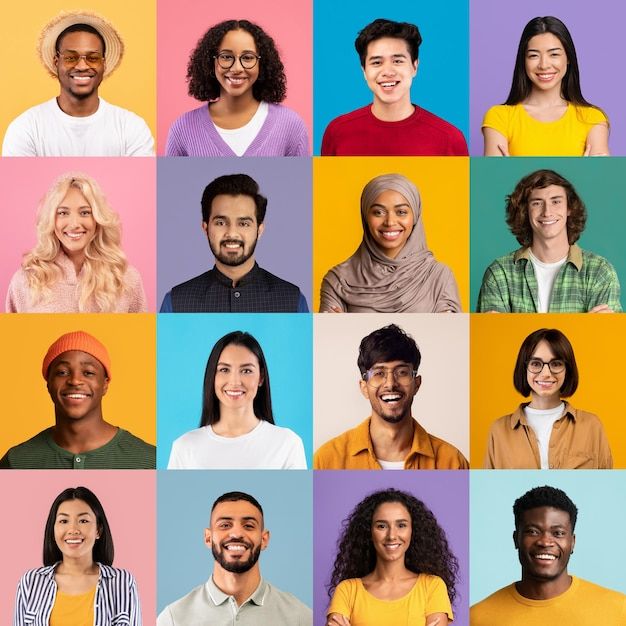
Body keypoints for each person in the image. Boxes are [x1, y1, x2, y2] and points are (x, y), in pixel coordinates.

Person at [314, 324, 468, 470]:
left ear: (417, 384)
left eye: (401, 372)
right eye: (379, 373)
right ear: (364, 387)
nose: (390, 384)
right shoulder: (327, 460)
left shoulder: (452, 462)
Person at [2, 11, 154, 156]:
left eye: (92, 58)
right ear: (57, 61)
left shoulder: (132, 128)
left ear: (104, 63)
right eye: (70, 58)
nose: (82, 66)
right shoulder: (26, 128)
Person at [470, 486, 626, 624]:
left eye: (558, 533)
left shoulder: (619, 610)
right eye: (533, 531)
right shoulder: (477, 618)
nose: (545, 542)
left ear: (572, 542)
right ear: (516, 539)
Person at [0, 330, 155, 469]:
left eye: (88, 372)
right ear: (48, 383)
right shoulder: (16, 462)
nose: (74, 381)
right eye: (62, 372)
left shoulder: (150, 461)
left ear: (105, 384)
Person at [157, 491, 312, 625]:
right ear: (208, 538)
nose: (237, 533)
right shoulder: (173, 619)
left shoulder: (300, 617)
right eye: (224, 525)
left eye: (249, 526)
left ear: (264, 539)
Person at [477, 169, 621, 313]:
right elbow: (493, 335)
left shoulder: (599, 271)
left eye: (556, 201)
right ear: (525, 211)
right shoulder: (500, 273)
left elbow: (608, 335)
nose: (547, 212)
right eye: (537, 203)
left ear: (569, 208)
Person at [160, 174, 308, 312]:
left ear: (259, 229)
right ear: (205, 228)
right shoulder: (176, 302)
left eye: (243, 224)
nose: (231, 233)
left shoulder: (293, 301)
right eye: (220, 222)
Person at [321, 18, 467, 156]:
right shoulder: (337, 132)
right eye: (377, 62)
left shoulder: (449, 138)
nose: (388, 72)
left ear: (415, 66)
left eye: (397, 61)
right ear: (364, 71)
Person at [6, 172, 147, 313]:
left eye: (85, 213)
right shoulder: (25, 280)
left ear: (98, 218)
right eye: (63, 213)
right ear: (51, 219)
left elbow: (142, 334)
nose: (74, 224)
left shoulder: (127, 278)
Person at [320, 173, 461, 313]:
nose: (390, 222)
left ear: (415, 216)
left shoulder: (439, 276)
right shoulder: (338, 281)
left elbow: (447, 333)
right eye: (378, 212)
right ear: (365, 217)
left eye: (401, 212)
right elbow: (331, 334)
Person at [165, 19, 308, 156]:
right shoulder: (182, 129)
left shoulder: (290, 125)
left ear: (261, 64)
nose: (237, 68)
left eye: (247, 57)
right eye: (226, 57)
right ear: (211, 62)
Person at [167, 331, 306, 469]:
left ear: (261, 377)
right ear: (212, 376)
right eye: (224, 370)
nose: (234, 381)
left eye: (246, 371)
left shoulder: (287, 444)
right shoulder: (184, 447)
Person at [483, 328, 612, 469]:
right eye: (536, 364)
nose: (546, 373)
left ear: (567, 369)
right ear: (524, 368)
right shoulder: (499, 430)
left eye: (556, 364)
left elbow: (609, 483)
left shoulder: (591, 426)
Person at [326, 488, 457, 626]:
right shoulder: (347, 590)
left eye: (401, 525)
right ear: (369, 532)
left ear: (413, 530)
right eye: (382, 526)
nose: (392, 536)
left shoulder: (432, 586)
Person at [13, 486, 142, 625]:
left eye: (83, 521)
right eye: (63, 521)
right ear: (53, 531)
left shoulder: (122, 583)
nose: (73, 529)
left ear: (98, 530)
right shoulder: (30, 583)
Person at [482, 16, 609, 156]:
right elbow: (493, 177)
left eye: (554, 54)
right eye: (533, 55)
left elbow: (602, 178)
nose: (544, 65)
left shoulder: (592, 118)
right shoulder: (499, 117)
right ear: (523, 61)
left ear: (568, 58)